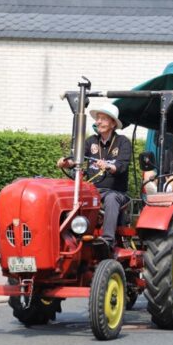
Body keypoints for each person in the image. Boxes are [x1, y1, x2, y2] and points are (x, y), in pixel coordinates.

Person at [57, 103, 131, 249]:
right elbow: (77, 159)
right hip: (93, 191)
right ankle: (68, 238)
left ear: (112, 123)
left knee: (111, 198)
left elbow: (121, 166)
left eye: (103, 119)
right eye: (97, 119)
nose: (98, 122)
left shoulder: (123, 142)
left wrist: (109, 166)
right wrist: (67, 163)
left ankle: (107, 241)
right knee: (69, 195)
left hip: (115, 192)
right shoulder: (91, 141)